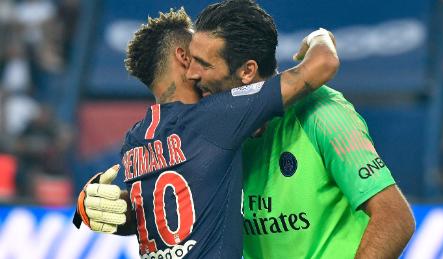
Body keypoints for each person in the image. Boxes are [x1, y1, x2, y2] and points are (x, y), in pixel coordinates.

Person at [73, 3, 339, 259]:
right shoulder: (217, 115)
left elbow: (144, 217)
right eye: (198, 54)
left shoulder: (134, 140)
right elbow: (322, 65)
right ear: (183, 56)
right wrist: (320, 37)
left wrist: (94, 207)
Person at [186, 1, 415, 258]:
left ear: (247, 71)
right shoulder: (213, 132)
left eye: (204, 64)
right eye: (191, 61)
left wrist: (320, 37)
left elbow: (395, 217)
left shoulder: (324, 114)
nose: (191, 74)